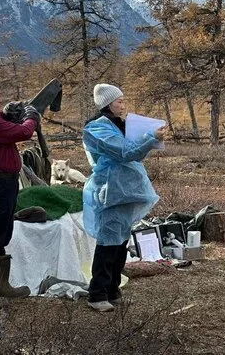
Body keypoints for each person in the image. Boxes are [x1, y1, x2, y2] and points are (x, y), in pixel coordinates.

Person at [82, 84, 165, 312]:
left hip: (126, 190)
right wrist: (150, 136)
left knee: (120, 244)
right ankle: (97, 294)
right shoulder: (96, 129)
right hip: (111, 192)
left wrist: (149, 139)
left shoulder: (118, 125)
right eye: (119, 101)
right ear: (107, 103)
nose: (123, 104)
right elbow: (123, 152)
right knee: (108, 243)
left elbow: (134, 152)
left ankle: (112, 290)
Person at [0, 88, 40, 298]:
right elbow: (22, 132)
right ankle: (0, 288)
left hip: (6, 180)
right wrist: (31, 117)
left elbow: (7, 126)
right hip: (0, 182)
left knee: (2, 229)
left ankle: (1, 286)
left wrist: (8, 114)